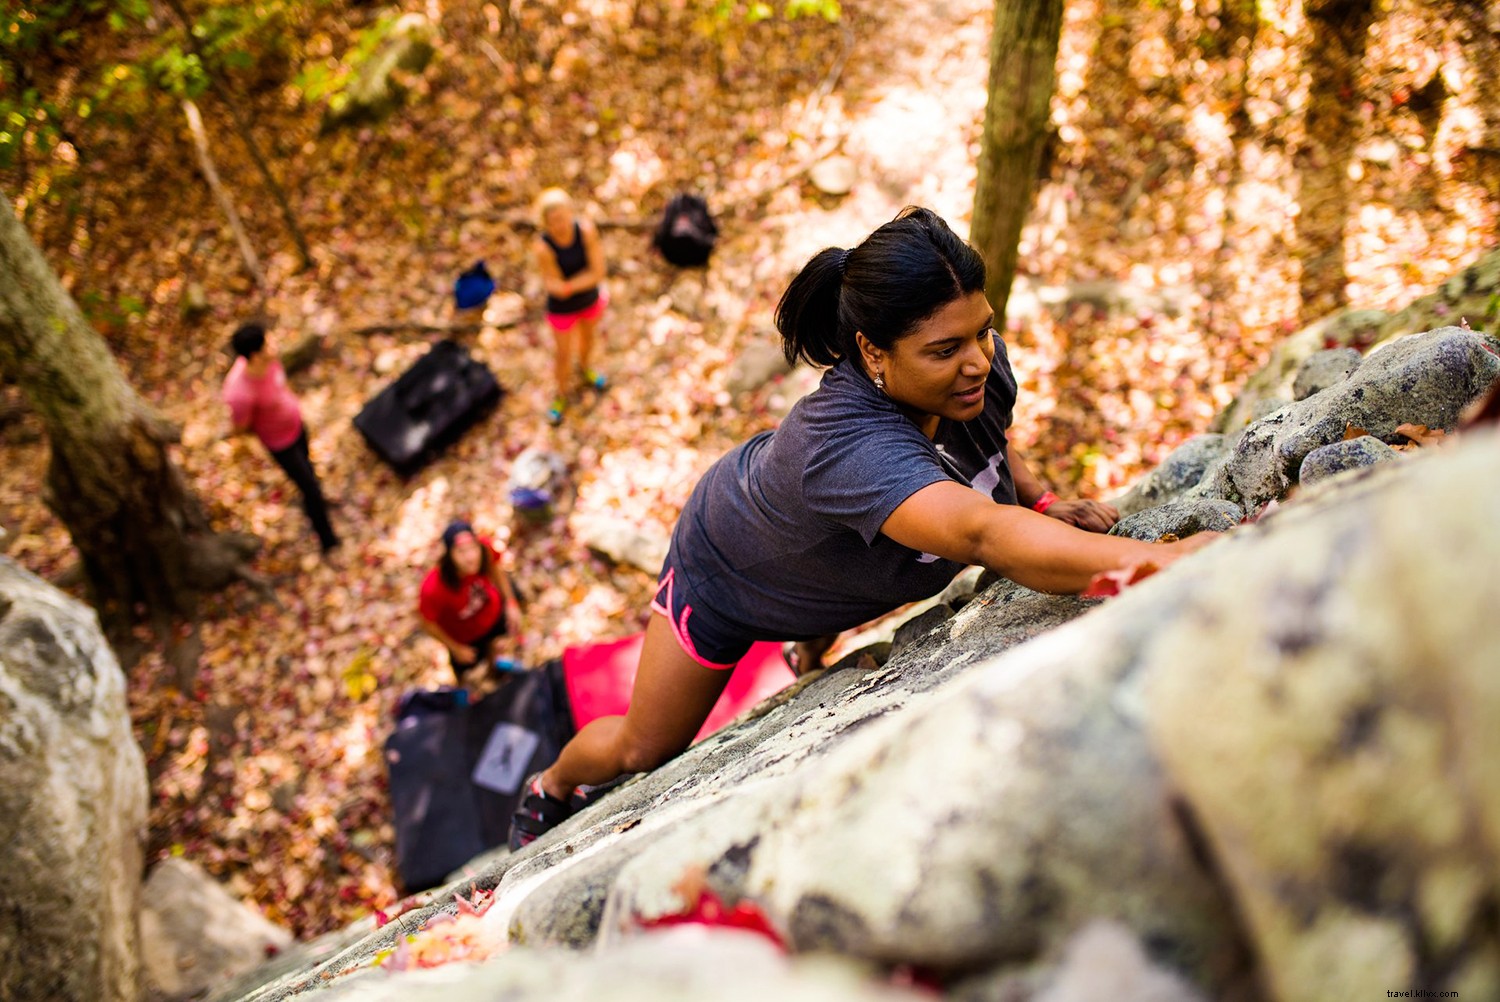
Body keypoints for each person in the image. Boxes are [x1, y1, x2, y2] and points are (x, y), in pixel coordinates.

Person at [508, 207, 1217, 849]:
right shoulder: (846, 449)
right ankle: (552, 785)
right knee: (642, 747)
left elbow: (992, 440)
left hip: (818, 547)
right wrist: (1166, 560)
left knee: (831, 578)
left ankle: (811, 639)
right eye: (945, 349)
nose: (978, 361)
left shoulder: (972, 366)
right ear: (873, 353)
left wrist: (1038, 497)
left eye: (984, 330)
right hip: (725, 566)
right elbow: (978, 534)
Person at [222, 322, 339, 553]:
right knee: (310, 489)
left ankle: (316, 499)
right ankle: (327, 539)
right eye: (269, 343)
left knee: (309, 469)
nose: (275, 344)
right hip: (280, 444)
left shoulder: (271, 361)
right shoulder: (239, 393)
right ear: (255, 356)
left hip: (296, 425)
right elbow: (241, 427)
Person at [532, 188, 608, 425]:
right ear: (545, 224)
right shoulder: (543, 247)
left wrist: (569, 286)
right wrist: (580, 281)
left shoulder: (585, 231)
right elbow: (554, 285)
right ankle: (561, 395)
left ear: (570, 213)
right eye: (553, 221)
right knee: (563, 355)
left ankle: (585, 370)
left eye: (563, 218)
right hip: (561, 309)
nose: (560, 225)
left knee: (588, 340)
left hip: (589, 301)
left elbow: (598, 272)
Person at [418, 520, 524, 682]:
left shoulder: (485, 549)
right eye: (461, 552)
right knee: (466, 673)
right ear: (449, 556)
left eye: (473, 548)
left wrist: (510, 602)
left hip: (493, 614)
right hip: (466, 638)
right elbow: (427, 623)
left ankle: (496, 666)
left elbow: (496, 568)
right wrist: (455, 648)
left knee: (497, 646)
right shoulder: (433, 588)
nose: (470, 557)